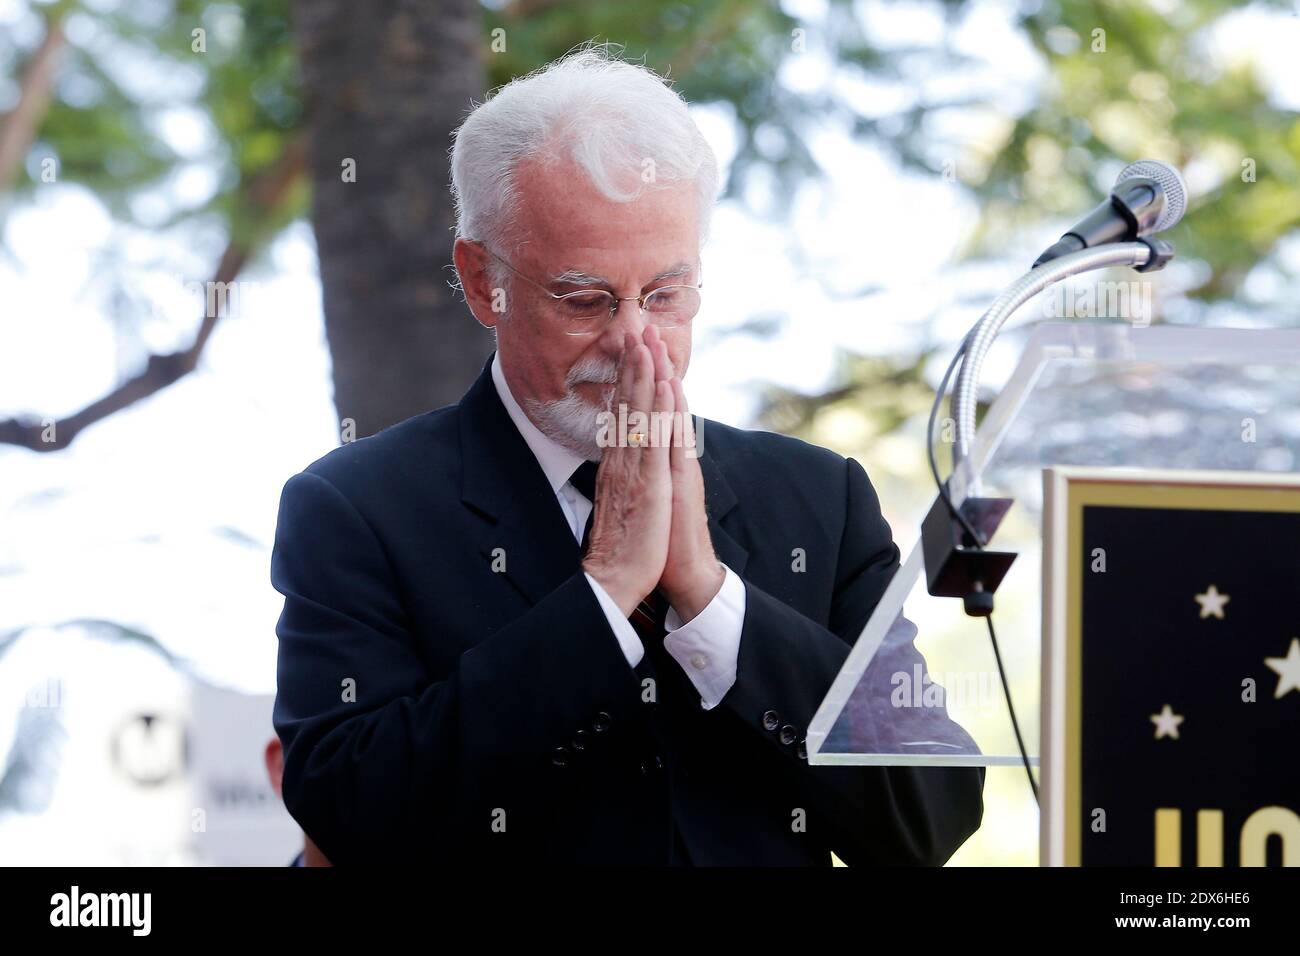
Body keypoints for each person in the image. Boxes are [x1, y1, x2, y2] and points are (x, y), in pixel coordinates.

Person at [271, 45, 983, 866]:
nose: (635, 343)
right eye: (586, 300)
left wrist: (713, 603)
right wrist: (603, 597)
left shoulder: (820, 500)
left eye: (666, 296)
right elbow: (352, 815)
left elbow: (932, 811)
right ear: (479, 281)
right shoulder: (357, 508)